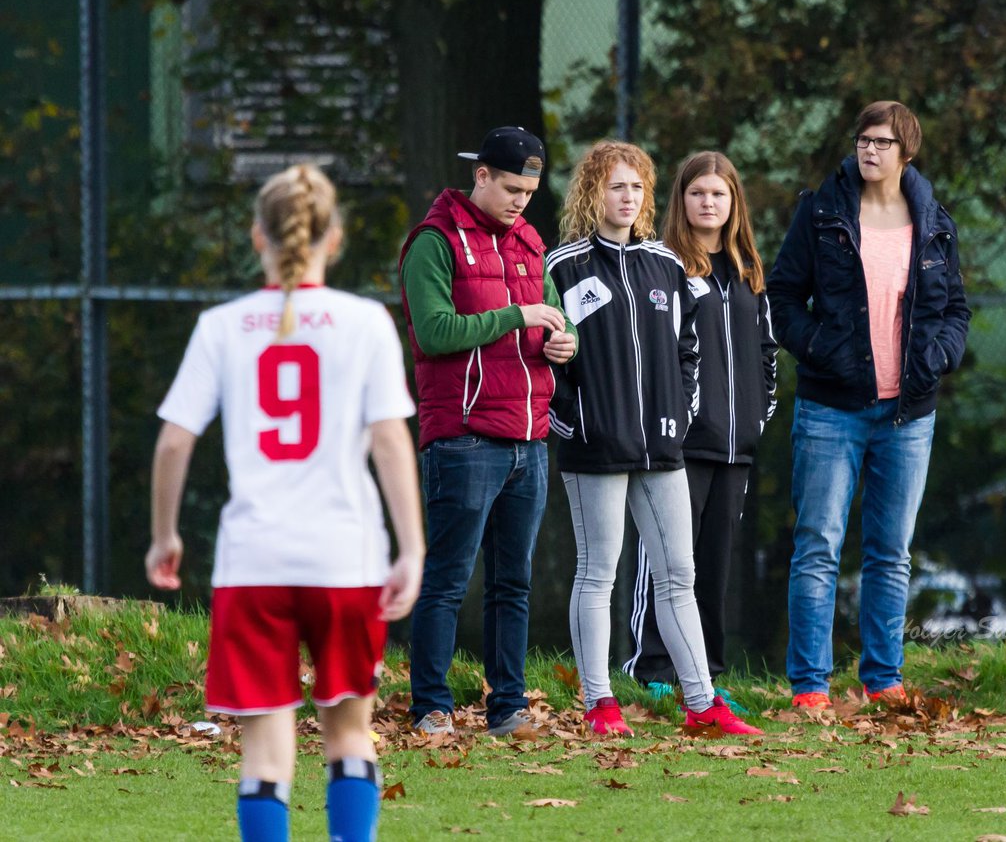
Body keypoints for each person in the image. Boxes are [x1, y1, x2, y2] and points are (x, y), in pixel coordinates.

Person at [145, 164, 424, 842]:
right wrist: (412, 546)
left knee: (265, 756)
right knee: (349, 736)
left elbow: (175, 442)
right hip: (345, 559)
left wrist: (164, 536)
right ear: (334, 239)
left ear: (256, 236)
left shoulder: (223, 325)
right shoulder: (366, 322)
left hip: (254, 563)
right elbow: (389, 439)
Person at [546, 140, 761, 736]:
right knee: (599, 573)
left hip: (664, 450)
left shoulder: (665, 265)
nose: (628, 197)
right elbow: (545, 359)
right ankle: (599, 704)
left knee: (679, 574)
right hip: (595, 450)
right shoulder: (562, 266)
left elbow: (688, 349)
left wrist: (678, 414)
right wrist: (575, 418)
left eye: (637, 187)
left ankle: (701, 703)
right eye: (616, 186)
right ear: (593, 191)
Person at [767, 101, 970, 709]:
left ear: (906, 150)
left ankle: (883, 681)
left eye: (882, 142)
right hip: (831, 409)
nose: (869, 151)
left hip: (910, 414)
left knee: (890, 552)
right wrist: (820, 349)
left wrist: (938, 357)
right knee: (818, 544)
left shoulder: (934, 222)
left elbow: (955, 311)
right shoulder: (822, 212)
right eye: (863, 140)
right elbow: (781, 296)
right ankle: (810, 687)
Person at [399, 126, 577, 736]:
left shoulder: (529, 240)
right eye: (510, 188)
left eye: (529, 190)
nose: (522, 201)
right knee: (448, 580)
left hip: (529, 440)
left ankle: (508, 708)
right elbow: (434, 333)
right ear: (480, 176)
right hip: (464, 438)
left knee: (513, 584)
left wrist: (562, 341)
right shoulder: (434, 242)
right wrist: (515, 317)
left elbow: (554, 320)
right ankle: (431, 708)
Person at [623, 151, 777, 704]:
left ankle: (705, 676)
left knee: (714, 566)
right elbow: (656, 356)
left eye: (718, 194)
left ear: (733, 202)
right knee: (665, 560)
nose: (707, 203)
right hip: (680, 445)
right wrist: (671, 424)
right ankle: (651, 667)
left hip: (736, 447)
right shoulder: (666, 267)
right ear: (680, 201)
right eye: (696, 193)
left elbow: (766, 356)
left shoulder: (750, 273)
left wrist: (758, 418)